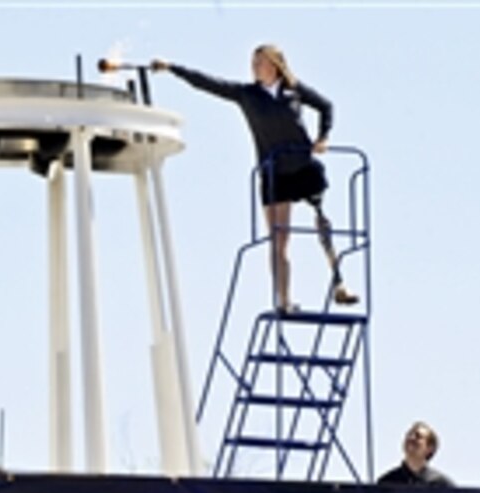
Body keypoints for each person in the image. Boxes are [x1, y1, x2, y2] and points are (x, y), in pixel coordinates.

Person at [152, 46, 359, 313]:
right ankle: (284, 300)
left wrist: (323, 137)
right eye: (253, 62)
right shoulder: (246, 95)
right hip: (274, 173)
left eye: (260, 62)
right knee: (278, 239)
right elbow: (208, 83)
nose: (255, 66)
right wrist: (172, 68)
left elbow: (326, 106)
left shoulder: (293, 90)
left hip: (302, 164)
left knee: (321, 220)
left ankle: (339, 283)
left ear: (274, 65)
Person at [377, 422, 456, 487]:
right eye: (408, 435)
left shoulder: (441, 485)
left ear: (430, 448)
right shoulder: (387, 483)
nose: (411, 438)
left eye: (418, 436)